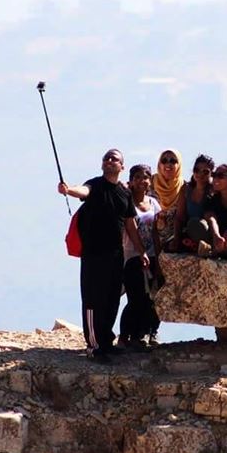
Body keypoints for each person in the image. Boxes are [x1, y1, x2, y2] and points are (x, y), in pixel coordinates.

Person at [58, 149, 149, 364]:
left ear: (122, 167)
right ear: (102, 165)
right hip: (93, 253)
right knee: (93, 299)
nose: (109, 161)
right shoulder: (96, 184)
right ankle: (94, 345)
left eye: (114, 159)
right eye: (106, 158)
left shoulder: (124, 193)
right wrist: (68, 190)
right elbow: (84, 191)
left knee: (110, 299)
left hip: (116, 254)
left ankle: (106, 340)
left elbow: (130, 225)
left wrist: (141, 251)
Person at [117, 164, 163, 351]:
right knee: (137, 298)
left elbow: (157, 231)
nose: (142, 181)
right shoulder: (126, 203)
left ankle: (147, 333)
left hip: (152, 255)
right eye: (137, 177)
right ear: (131, 180)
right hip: (131, 256)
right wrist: (141, 251)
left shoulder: (153, 203)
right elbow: (129, 228)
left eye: (146, 177)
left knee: (153, 298)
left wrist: (159, 256)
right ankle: (126, 336)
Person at [171, 154, 215, 253]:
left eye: (205, 172)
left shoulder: (214, 191)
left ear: (211, 174)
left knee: (197, 223)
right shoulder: (186, 189)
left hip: (209, 231)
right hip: (191, 231)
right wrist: (176, 238)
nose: (200, 174)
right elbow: (179, 217)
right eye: (197, 170)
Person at [150, 149, 185, 250]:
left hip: (172, 244)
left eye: (173, 161)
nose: (168, 164)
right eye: (164, 161)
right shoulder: (149, 182)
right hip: (147, 245)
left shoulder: (184, 187)